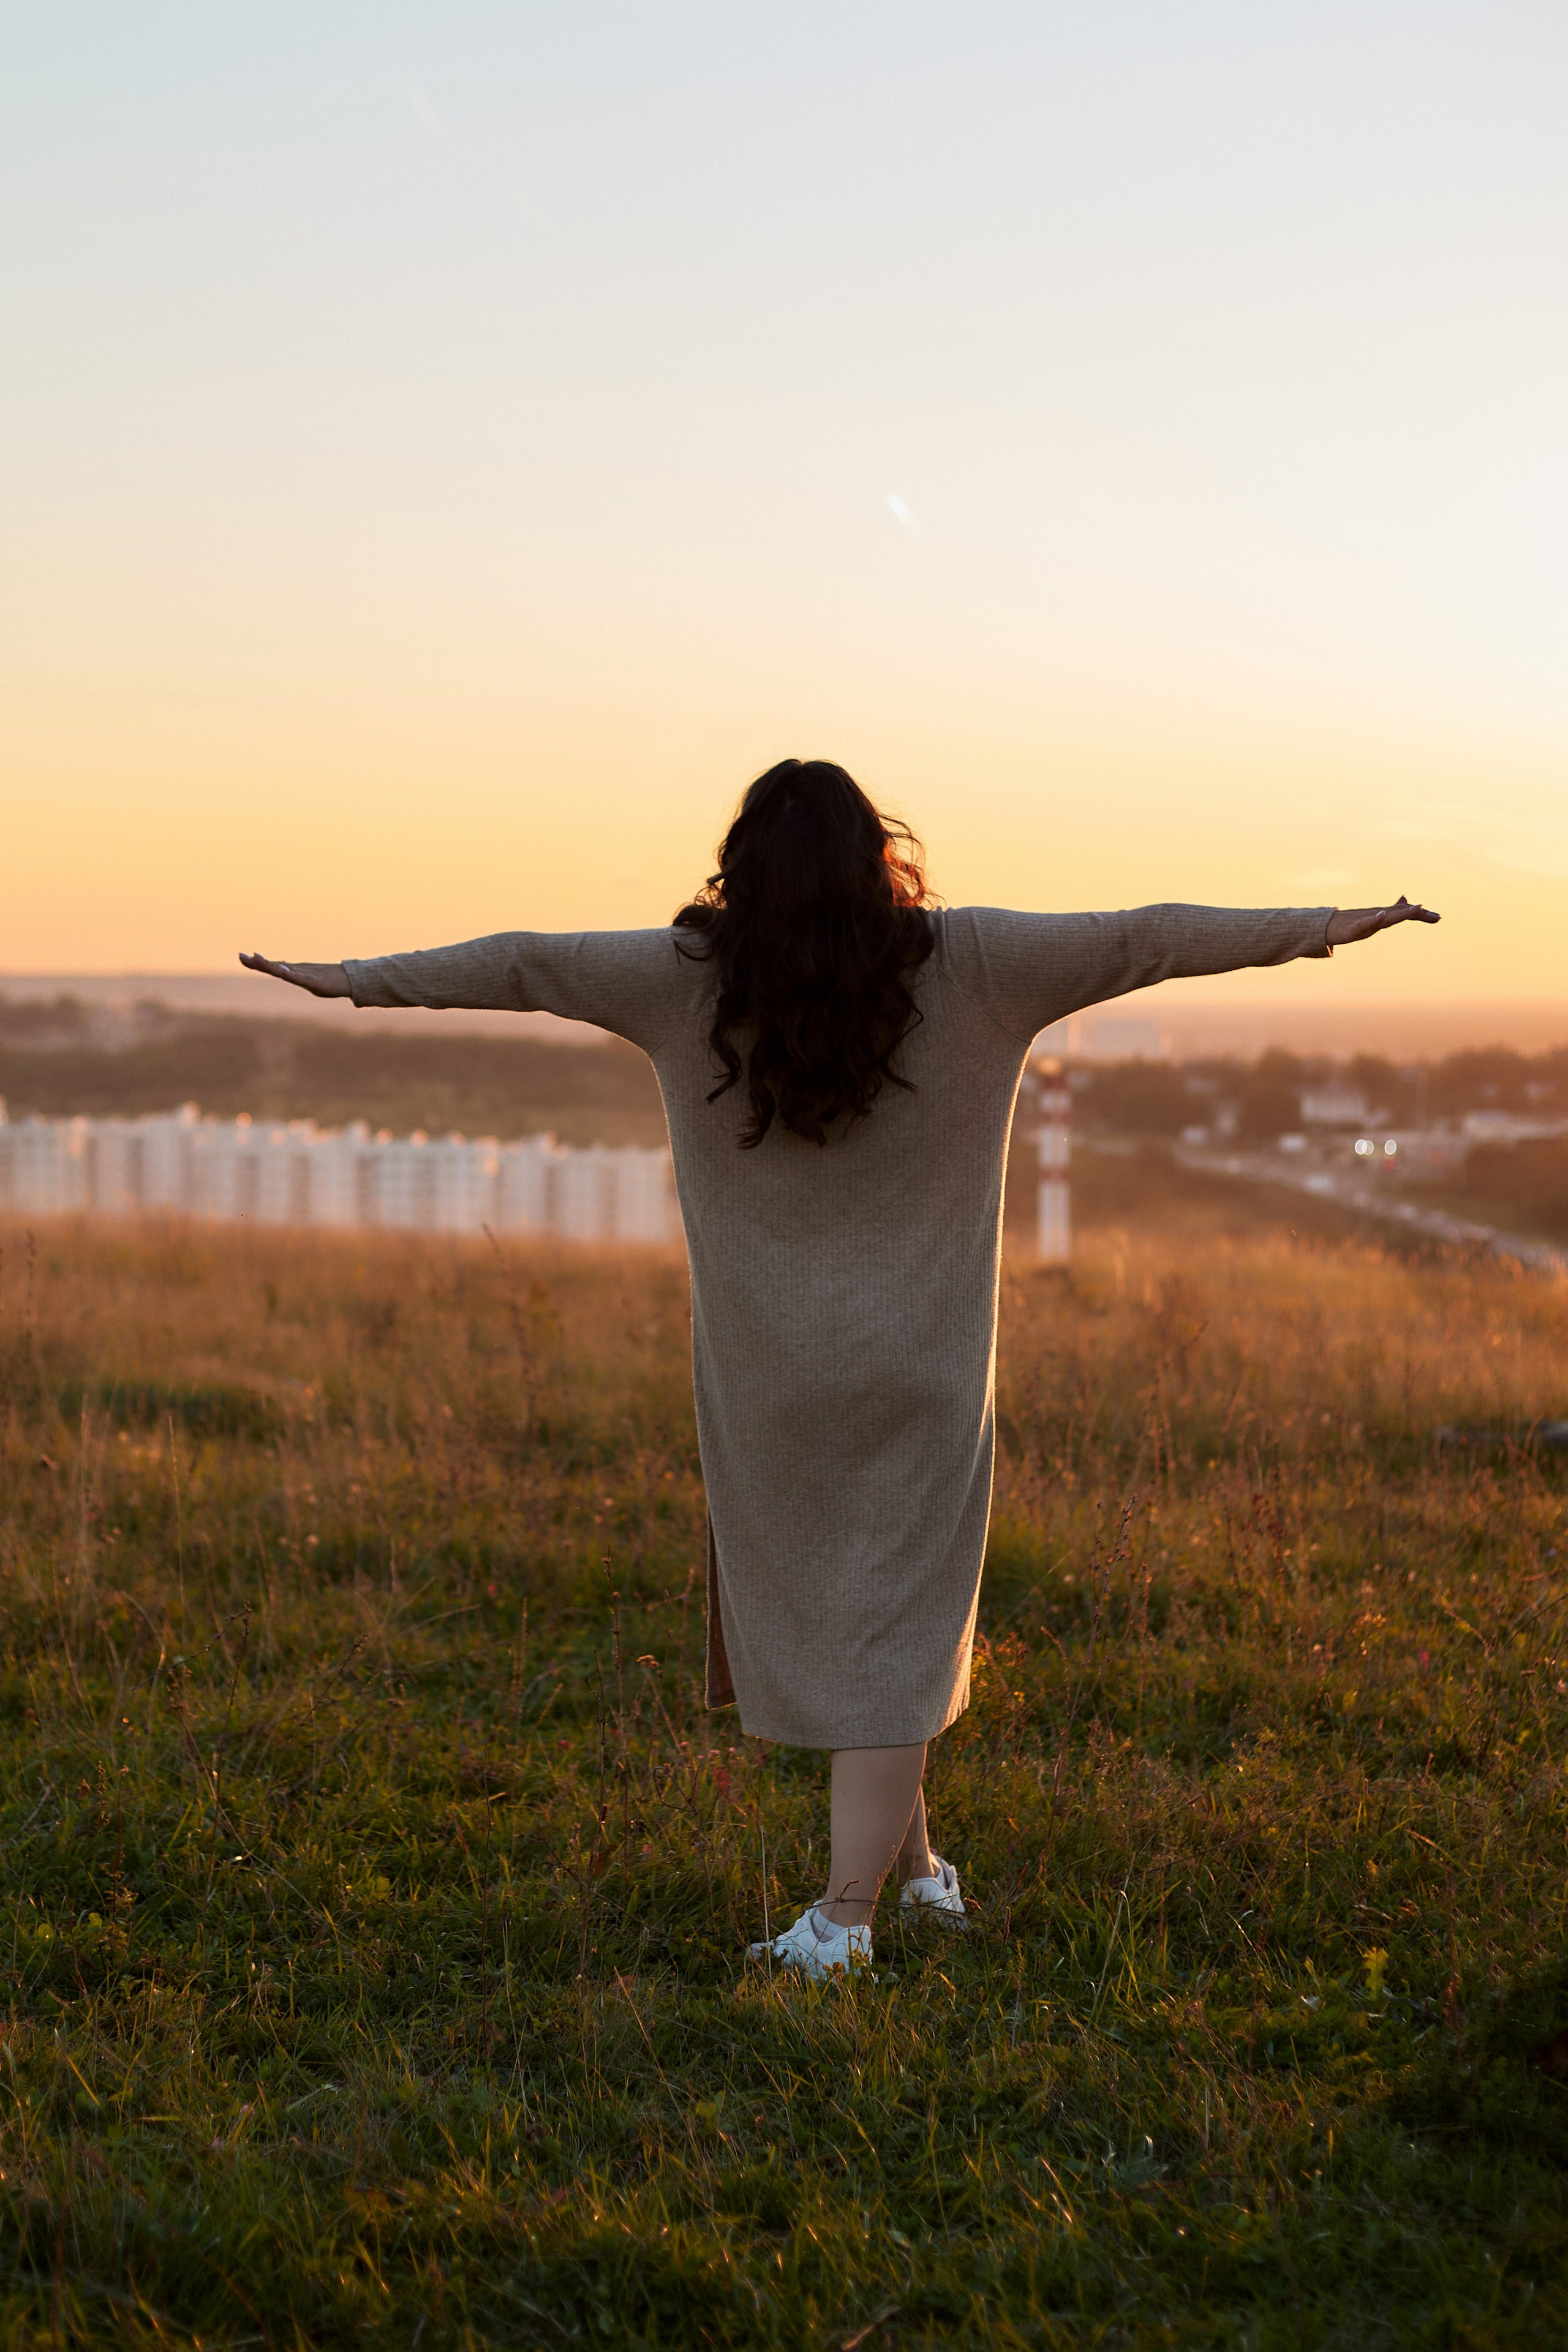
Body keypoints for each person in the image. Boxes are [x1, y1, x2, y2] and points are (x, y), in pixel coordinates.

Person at [242, 758, 1438, 1978]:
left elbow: (517, 961)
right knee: (893, 1622)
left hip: (766, 1383)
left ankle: (908, 1877)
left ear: (742, 869)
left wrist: (348, 982)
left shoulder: (682, 978)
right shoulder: (974, 962)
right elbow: (1144, 939)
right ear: (880, 859)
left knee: (864, 1618)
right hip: (922, 1370)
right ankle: (844, 1921)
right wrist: (1324, 928)